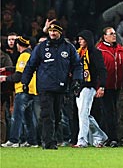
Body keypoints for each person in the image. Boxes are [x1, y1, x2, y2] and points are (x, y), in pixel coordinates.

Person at [21, 21, 83, 150]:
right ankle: (48, 142)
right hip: (45, 86)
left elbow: (77, 65)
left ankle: (52, 140)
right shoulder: (41, 47)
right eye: (50, 31)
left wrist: (77, 80)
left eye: (55, 31)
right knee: (47, 115)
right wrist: (25, 81)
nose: (52, 33)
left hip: (61, 87)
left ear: (60, 32)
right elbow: (31, 65)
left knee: (57, 115)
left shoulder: (69, 47)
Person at [96, 26, 123, 147]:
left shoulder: (120, 49)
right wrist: (99, 86)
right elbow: (97, 69)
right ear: (105, 36)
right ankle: (111, 138)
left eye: (114, 33)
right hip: (105, 87)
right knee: (109, 113)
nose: (114, 35)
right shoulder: (100, 50)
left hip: (118, 86)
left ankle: (114, 138)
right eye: (111, 33)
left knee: (118, 113)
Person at [0, 36, 38, 148]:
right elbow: (21, 69)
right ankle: (32, 141)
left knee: (17, 116)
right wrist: (7, 69)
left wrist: (5, 78)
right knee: (28, 117)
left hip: (23, 89)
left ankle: (14, 140)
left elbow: (19, 75)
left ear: (18, 45)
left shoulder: (23, 56)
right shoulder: (30, 55)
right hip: (31, 89)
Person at [73, 30, 108, 148]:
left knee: (83, 114)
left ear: (87, 40)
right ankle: (100, 136)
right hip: (79, 86)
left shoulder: (95, 53)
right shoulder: (78, 53)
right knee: (85, 115)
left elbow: (102, 70)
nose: (79, 41)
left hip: (89, 85)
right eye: (79, 39)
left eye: (82, 39)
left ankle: (82, 141)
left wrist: (101, 86)